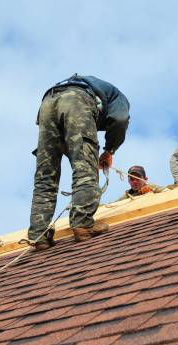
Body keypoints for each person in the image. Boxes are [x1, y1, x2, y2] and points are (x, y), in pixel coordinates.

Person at [28, 74, 129, 250]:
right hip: (76, 100)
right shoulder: (119, 98)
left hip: (47, 103)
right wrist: (109, 150)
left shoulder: (93, 85)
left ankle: (39, 235)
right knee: (85, 169)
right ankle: (83, 224)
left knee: (46, 175)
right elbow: (120, 120)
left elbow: (66, 143)